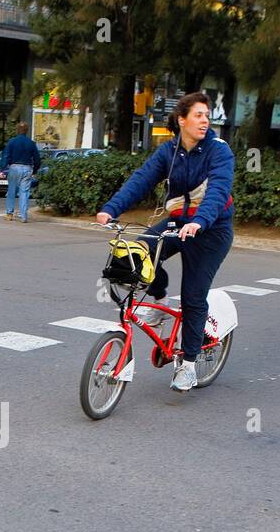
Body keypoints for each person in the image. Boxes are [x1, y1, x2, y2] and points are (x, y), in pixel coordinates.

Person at [95, 91, 235, 392]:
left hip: (211, 230)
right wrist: (110, 209)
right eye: (198, 115)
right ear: (181, 120)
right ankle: (158, 301)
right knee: (139, 252)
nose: (205, 120)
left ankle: (187, 365)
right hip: (177, 223)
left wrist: (200, 221)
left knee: (194, 296)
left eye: (207, 115)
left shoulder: (219, 151)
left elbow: (219, 190)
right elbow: (141, 179)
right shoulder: (169, 151)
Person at [0, 121, 40, 223]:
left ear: (18, 130)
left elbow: (6, 155)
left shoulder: (12, 142)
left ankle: (9, 213)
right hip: (27, 168)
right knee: (24, 192)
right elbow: (37, 159)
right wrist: (34, 170)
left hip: (14, 168)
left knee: (12, 191)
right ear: (26, 131)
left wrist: (2, 168)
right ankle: (23, 216)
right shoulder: (31, 143)